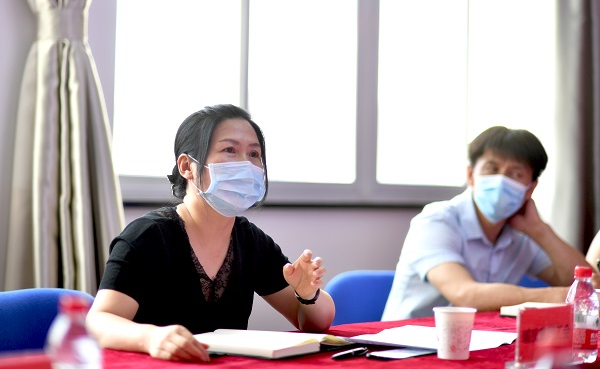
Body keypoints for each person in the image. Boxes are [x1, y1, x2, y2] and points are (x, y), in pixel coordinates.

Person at [86, 104, 335, 362]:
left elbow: (312, 322)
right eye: (230, 150)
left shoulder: (251, 241)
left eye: (254, 153)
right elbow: (99, 321)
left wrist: (308, 294)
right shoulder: (147, 236)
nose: (246, 164)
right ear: (187, 166)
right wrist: (150, 337)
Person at [381, 126, 591, 320]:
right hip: (406, 342)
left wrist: (540, 230)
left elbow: (588, 283)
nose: (501, 180)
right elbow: (465, 294)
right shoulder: (435, 221)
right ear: (471, 175)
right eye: (492, 169)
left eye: (515, 174)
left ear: (530, 188)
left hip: (482, 342)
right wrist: (557, 296)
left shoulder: (524, 234)